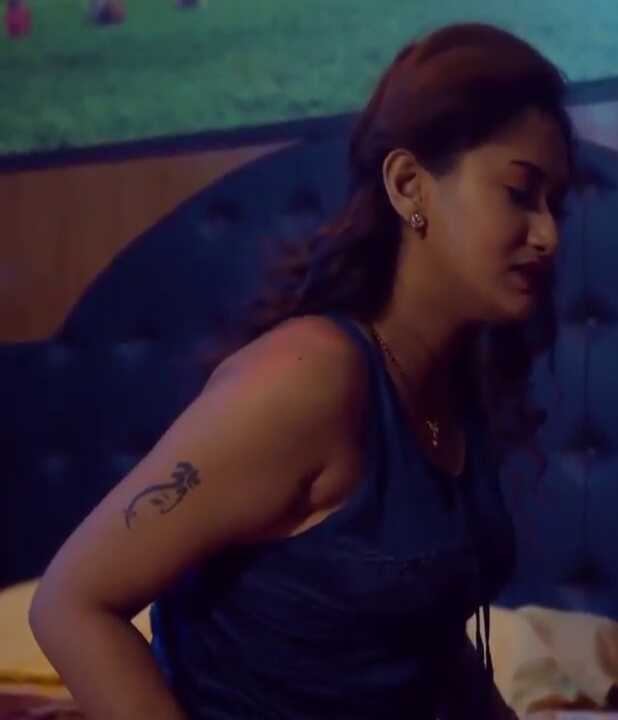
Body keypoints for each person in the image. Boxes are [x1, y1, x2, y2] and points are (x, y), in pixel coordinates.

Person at [29, 23, 572, 720]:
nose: (548, 233)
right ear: (409, 185)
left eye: (558, 203)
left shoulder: (452, 386)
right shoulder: (311, 377)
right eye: (520, 192)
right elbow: (71, 603)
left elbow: (422, 639)